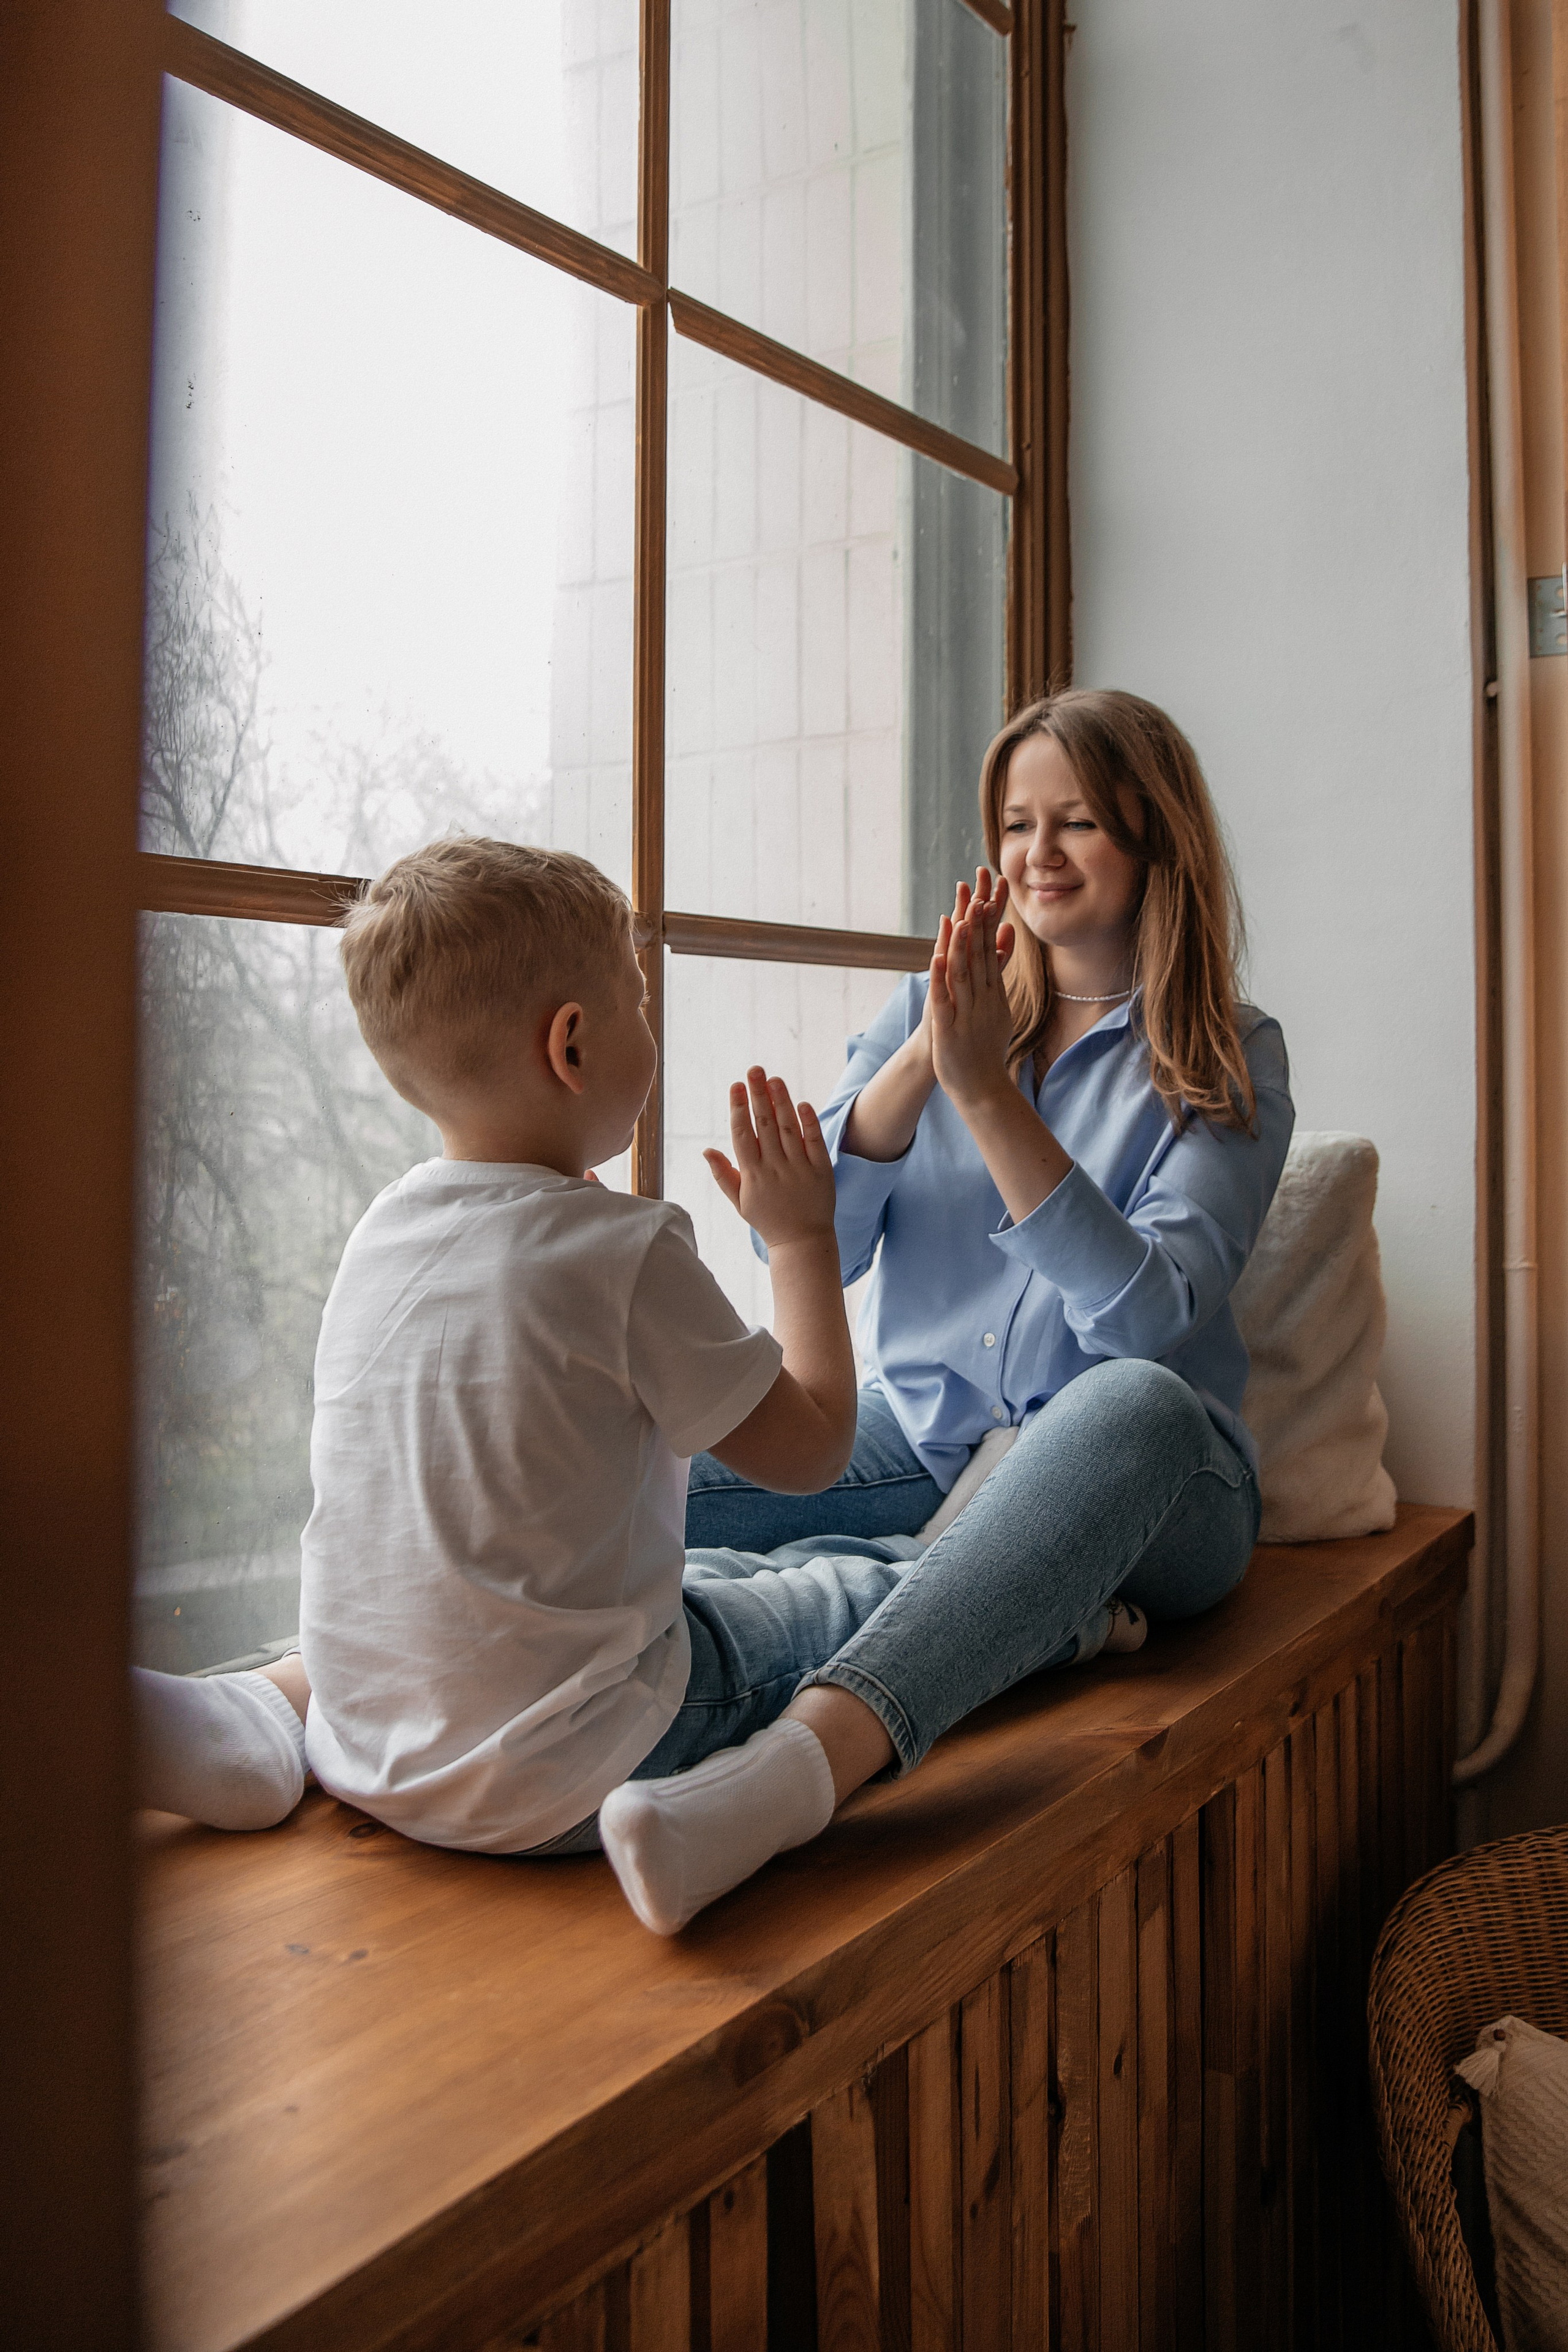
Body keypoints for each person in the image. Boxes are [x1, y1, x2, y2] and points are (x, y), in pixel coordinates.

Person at [596, 688, 1293, 1932]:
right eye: (1016, 824)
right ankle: (318, 1683)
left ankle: (796, 1773)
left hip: (1151, 1483)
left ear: (1154, 836)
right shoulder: (929, 1012)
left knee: (1133, 1399)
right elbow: (796, 1239)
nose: (1036, 854)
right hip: (922, 1441)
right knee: (649, 1474)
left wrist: (986, 1097)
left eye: (1077, 822)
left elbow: (1145, 1322)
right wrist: (929, 1052)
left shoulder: (1228, 1053)